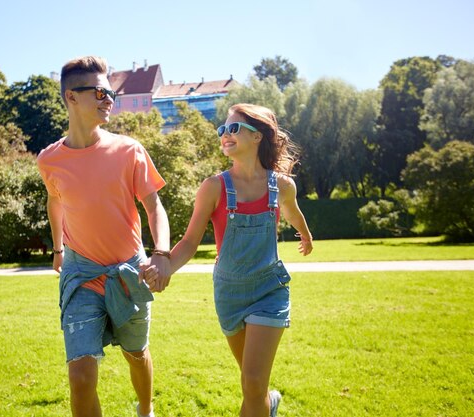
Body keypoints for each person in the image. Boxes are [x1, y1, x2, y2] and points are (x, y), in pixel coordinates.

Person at [36, 56, 171, 417]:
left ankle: (146, 409)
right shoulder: (49, 160)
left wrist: (160, 253)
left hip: (129, 271)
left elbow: (154, 207)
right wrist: (59, 249)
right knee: (80, 377)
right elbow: (55, 202)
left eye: (110, 92)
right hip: (81, 276)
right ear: (70, 98)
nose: (108, 99)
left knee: (136, 354)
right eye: (98, 92)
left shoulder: (129, 150)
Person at [162, 103, 313, 417]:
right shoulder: (213, 187)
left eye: (233, 128)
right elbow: (190, 241)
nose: (225, 135)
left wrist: (306, 235)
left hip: (270, 289)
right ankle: (268, 404)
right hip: (229, 293)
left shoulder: (282, 186)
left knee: (254, 382)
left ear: (257, 136)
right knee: (251, 384)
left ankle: (264, 399)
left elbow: (293, 214)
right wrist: (166, 266)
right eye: (222, 130)